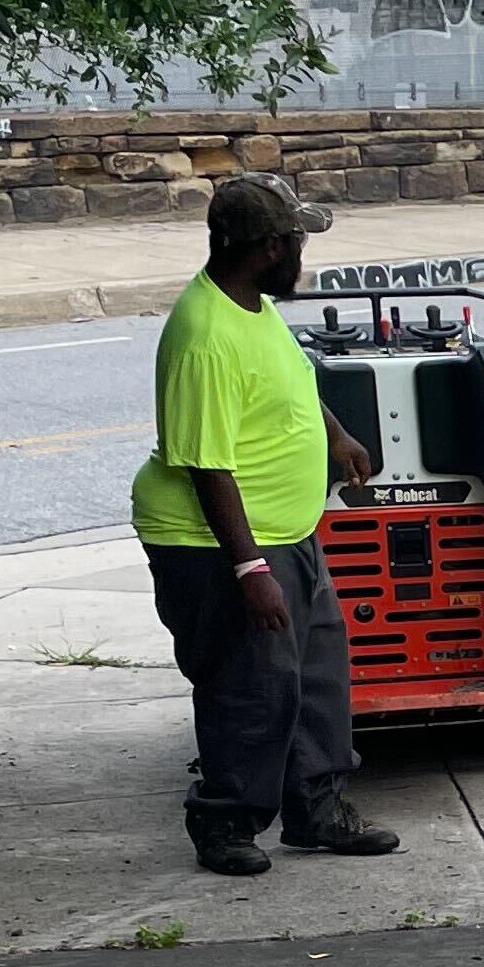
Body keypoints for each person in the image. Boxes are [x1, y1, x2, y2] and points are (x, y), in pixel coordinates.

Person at [131, 172, 392, 878]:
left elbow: (290, 378)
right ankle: (225, 822)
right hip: (220, 548)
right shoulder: (205, 335)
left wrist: (333, 435)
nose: (304, 253)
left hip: (287, 531)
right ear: (273, 247)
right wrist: (249, 571)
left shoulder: (250, 305)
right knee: (252, 689)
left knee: (315, 677)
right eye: (299, 239)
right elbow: (206, 465)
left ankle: (318, 811)